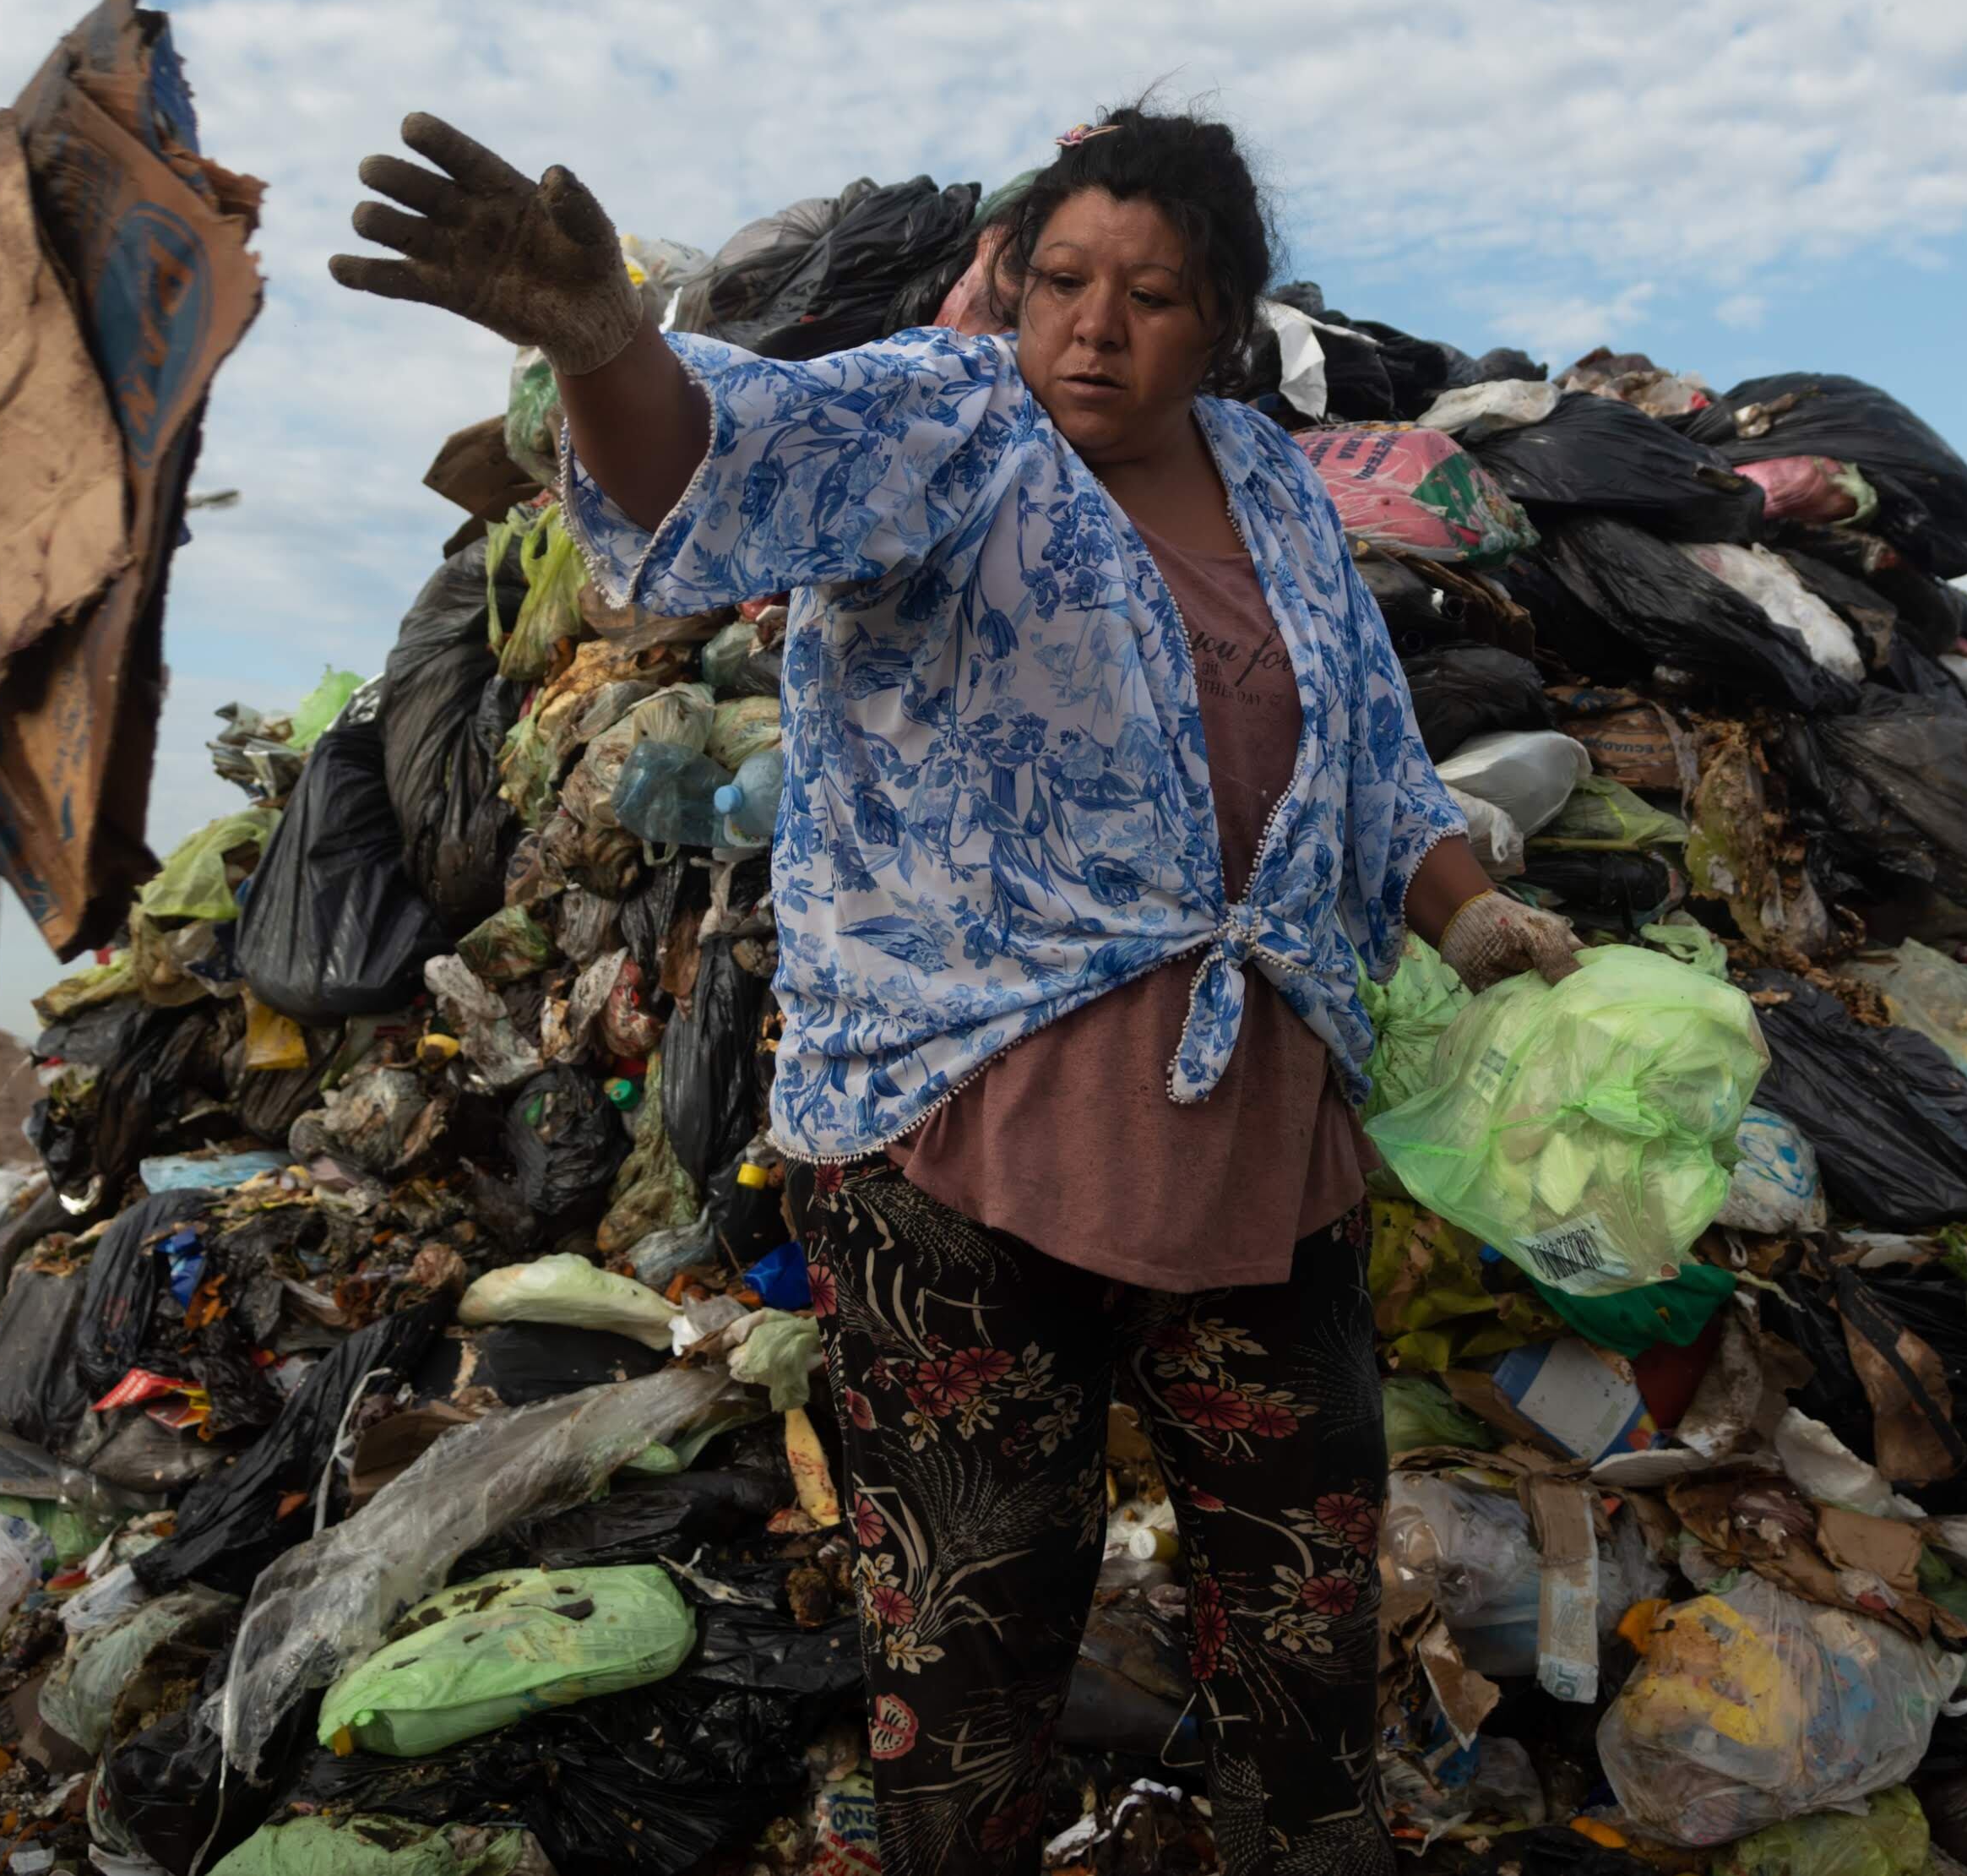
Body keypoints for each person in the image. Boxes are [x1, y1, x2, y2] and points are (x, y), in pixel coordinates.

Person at [333, 106, 1562, 1876]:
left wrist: (1462, 912)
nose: (1093, 324)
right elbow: (719, 459)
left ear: (1218, 322)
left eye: (1150, 293)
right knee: (975, 1651)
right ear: (1015, 281)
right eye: (1062, 277)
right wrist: (602, 339)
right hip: (960, 1147)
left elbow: (1362, 745)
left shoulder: (1276, 491)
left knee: (1302, 1636)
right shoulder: (943, 419)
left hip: (1251, 1151)